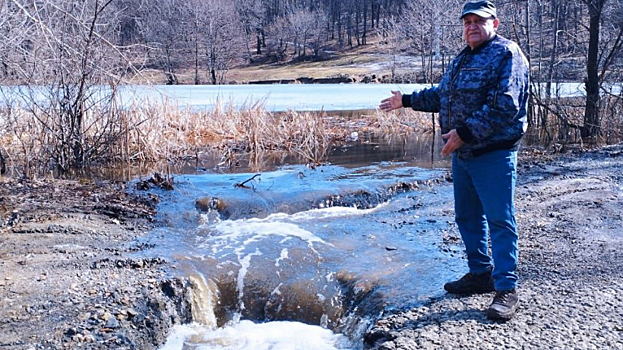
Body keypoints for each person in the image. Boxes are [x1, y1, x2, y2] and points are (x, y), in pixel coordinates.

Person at [379, 0, 529, 321]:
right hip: (462, 154)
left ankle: (506, 289)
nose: (472, 26)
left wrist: (465, 132)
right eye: (467, 22)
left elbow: (507, 104)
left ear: (495, 24)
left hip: (493, 153)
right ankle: (480, 274)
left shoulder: (507, 54)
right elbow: (441, 95)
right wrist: (405, 100)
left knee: (500, 221)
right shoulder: (463, 58)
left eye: (479, 21)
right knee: (467, 218)